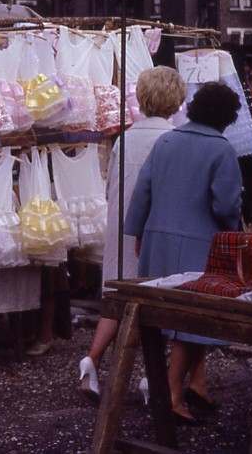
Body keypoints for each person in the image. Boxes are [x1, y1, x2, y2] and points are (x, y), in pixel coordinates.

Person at [124, 81, 242, 424]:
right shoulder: (221, 149)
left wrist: (138, 231)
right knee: (191, 318)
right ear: (226, 116)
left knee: (163, 318)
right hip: (200, 242)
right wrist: (235, 229)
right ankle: (172, 394)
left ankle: (197, 383)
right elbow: (225, 205)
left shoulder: (166, 140)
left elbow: (143, 190)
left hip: (157, 237)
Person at [78, 66, 186, 400]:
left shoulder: (125, 138)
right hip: (151, 229)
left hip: (119, 223)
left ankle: (92, 359)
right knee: (154, 302)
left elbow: (111, 182)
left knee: (117, 299)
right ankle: (152, 379)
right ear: (177, 100)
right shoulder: (174, 139)